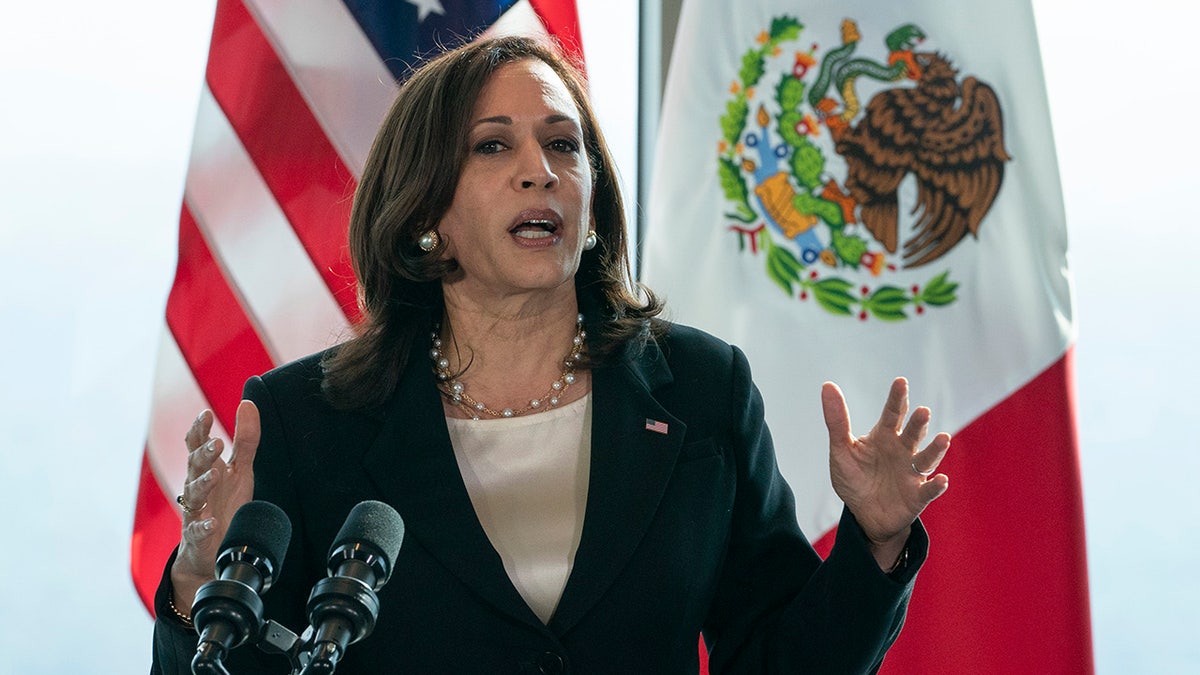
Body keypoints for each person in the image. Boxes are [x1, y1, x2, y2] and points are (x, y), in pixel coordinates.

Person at [150, 35, 950, 674]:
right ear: (427, 210)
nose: (540, 172)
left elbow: (776, 662)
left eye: (563, 145)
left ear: (592, 201)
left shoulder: (703, 392)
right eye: (492, 148)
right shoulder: (308, 420)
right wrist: (199, 581)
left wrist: (873, 542)